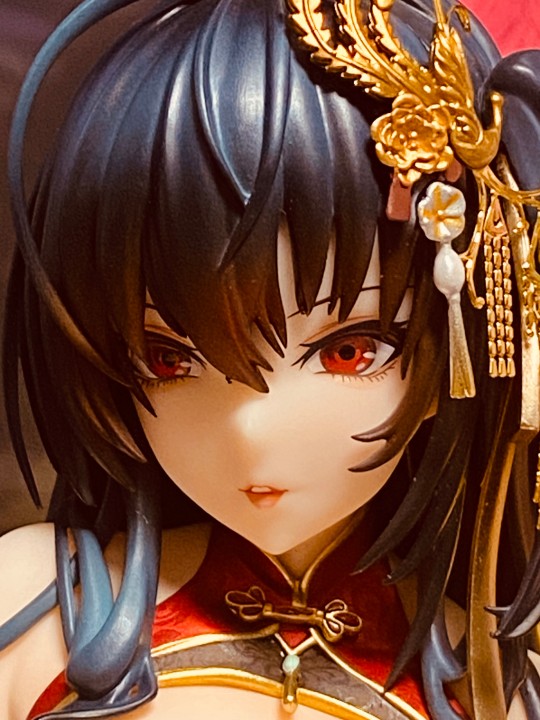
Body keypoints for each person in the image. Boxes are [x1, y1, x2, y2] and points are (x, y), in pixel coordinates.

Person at [1, 0, 540, 717]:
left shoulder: (492, 677)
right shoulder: (35, 601)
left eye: (348, 351)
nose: (250, 430)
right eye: (169, 358)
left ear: (454, 350)